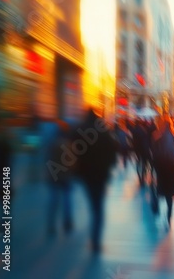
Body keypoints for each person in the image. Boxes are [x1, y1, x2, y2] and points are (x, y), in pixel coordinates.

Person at [73, 108, 117, 252]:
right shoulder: (103, 132)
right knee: (99, 208)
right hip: (101, 174)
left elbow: (74, 150)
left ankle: (93, 232)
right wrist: (109, 166)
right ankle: (95, 241)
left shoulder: (81, 130)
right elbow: (112, 152)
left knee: (93, 202)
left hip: (86, 174)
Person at [151, 115, 174, 229]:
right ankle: (169, 217)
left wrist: (154, 168)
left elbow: (154, 155)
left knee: (160, 189)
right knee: (169, 195)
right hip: (172, 170)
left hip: (161, 170)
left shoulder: (157, 138)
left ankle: (158, 207)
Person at [46, 120, 74, 236]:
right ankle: (67, 221)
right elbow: (72, 162)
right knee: (67, 199)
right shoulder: (69, 144)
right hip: (66, 176)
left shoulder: (53, 143)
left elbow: (48, 160)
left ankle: (51, 224)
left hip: (54, 175)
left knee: (53, 199)